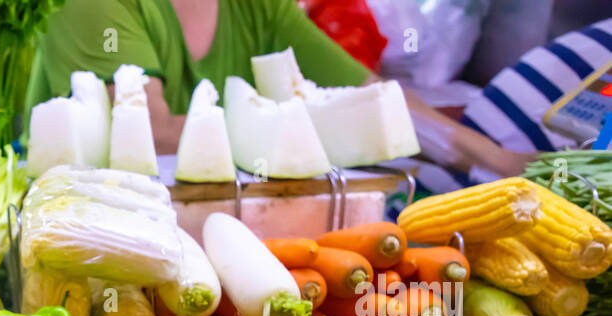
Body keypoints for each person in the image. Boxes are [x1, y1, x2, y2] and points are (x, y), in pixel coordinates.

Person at [27, 0, 531, 178]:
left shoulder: (256, 6)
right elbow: (149, 132)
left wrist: (496, 160)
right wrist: (295, 131)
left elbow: (372, 96)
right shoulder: (93, 5)